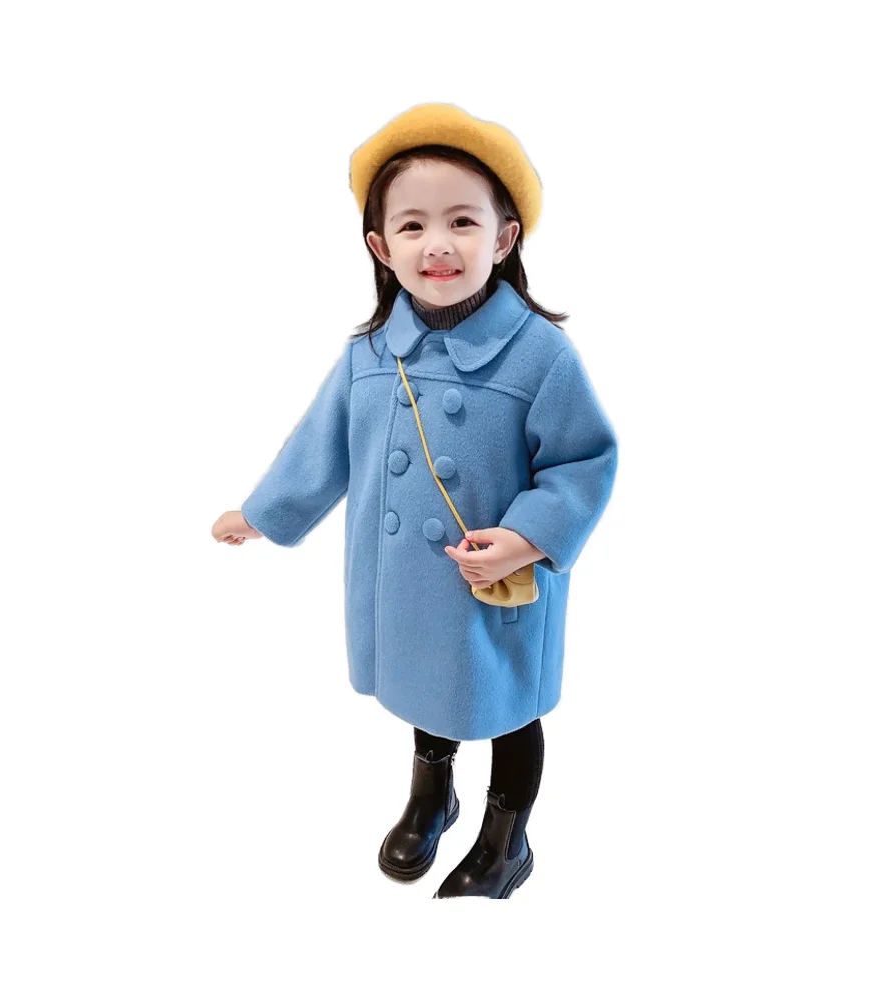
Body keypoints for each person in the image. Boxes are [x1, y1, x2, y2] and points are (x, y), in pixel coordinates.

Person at [211, 102, 618, 898]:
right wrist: (262, 513)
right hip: (403, 581)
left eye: (463, 221)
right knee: (426, 684)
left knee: (508, 707)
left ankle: (506, 839)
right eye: (412, 225)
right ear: (381, 246)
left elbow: (584, 461)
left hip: (492, 581)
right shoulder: (369, 352)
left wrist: (528, 536)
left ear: (503, 238)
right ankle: (432, 795)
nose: (438, 244)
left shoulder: (541, 356)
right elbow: (321, 443)